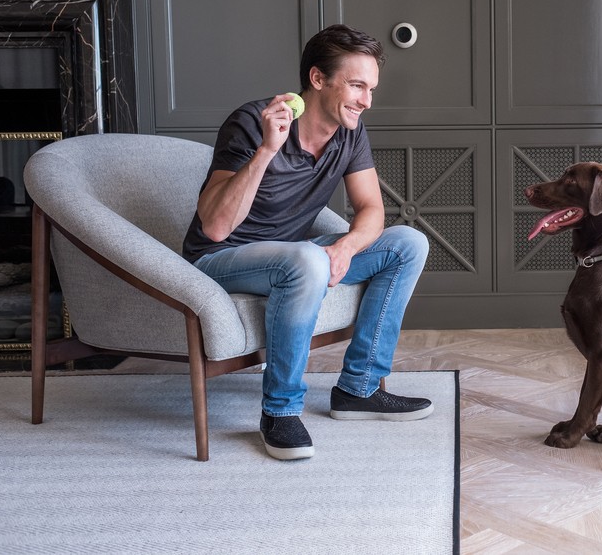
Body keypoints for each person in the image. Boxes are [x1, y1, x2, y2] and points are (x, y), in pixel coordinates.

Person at [182, 24, 432, 460]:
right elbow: (216, 228)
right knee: (305, 259)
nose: (366, 101)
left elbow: (371, 208)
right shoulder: (250, 124)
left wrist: (346, 247)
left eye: (370, 88)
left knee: (407, 242)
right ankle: (279, 412)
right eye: (357, 85)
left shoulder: (351, 131)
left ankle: (358, 389)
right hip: (221, 260)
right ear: (318, 79)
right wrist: (266, 151)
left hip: (294, 258)